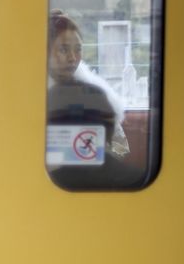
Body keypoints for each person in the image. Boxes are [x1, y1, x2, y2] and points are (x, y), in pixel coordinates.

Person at [47, 10, 128, 157]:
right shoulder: (31, 96)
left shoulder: (96, 95)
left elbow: (121, 149)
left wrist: (106, 162)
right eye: (63, 49)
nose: (72, 58)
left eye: (78, 49)